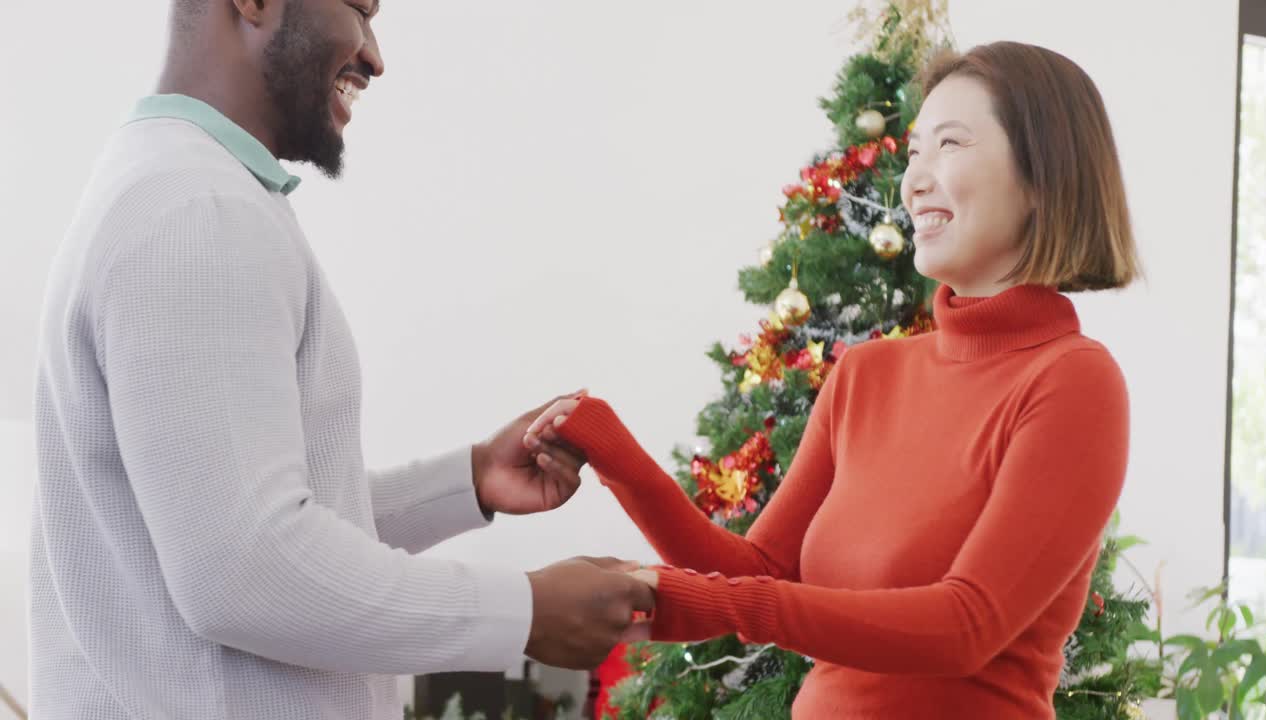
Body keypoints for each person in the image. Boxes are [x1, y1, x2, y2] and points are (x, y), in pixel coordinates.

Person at [30, 1, 652, 718]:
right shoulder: (198, 212)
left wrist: (470, 479)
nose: (375, 56)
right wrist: (527, 611)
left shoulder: (169, 186)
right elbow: (248, 569)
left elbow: (235, 521)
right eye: (360, 8)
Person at [525, 41, 1141, 719]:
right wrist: (614, 455)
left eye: (950, 144)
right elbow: (757, 570)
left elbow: (966, 627)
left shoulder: (1073, 381)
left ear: (1043, 178)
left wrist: (716, 601)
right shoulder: (868, 374)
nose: (914, 181)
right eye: (914, 153)